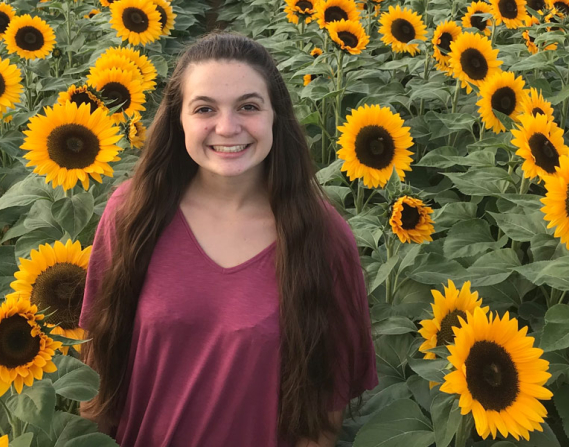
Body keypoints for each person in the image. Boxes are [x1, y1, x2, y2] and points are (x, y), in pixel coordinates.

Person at [78, 32, 377, 447]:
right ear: (178, 119)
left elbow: (324, 411)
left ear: (277, 116)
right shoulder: (132, 216)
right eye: (204, 108)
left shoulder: (321, 238)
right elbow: (97, 368)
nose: (227, 127)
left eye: (249, 107)